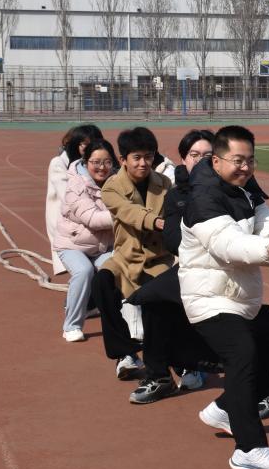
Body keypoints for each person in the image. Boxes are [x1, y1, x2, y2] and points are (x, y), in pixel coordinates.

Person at [179, 125, 269, 469]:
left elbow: (265, 216)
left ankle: (226, 408)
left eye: (250, 160)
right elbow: (228, 246)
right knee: (243, 353)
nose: (245, 167)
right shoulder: (202, 198)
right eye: (237, 160)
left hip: (241, 297)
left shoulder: (244, 186)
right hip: (209, 298)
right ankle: (249, 449)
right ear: (216, 161)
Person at [123, 129, 221, 403]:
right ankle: (160, 376)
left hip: (225, 270)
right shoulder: (177, 195)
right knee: (151, 297)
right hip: (191, 267)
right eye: (194, 155)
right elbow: (173, 241)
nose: (200, 160)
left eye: (208, 155)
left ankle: (196, 366)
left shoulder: (231, 190)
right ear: (184, 159)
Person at [90, 127, 173, 380]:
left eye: (148, 156)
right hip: (125, 258)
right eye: (136, 157)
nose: (143, 163)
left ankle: (173, 361)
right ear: (123, 159)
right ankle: (124, 352)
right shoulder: (111, 187)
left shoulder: (164, 184)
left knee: (159, 303)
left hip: (157, 259)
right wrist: (157, 222)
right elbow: (127, 211)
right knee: (101, 282)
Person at [53, 138, 116, 343]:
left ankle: (127, 322)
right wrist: (127, 214)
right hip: (72, 245)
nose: (102, 167)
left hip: (102, 246)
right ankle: (71, 326)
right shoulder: (76, 185)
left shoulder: (117, 182)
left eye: (107, 162)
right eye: (96, 162)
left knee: (117, 269)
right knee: (83, 271)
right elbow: (93, 219)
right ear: (86, 161)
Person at [45, 124, 103, 277]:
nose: (90, 148)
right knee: (82, 269)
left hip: (87, 220)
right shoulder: (59, 163)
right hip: (67, 222)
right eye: (85, 144)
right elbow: (68, 196)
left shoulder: (94, 163)